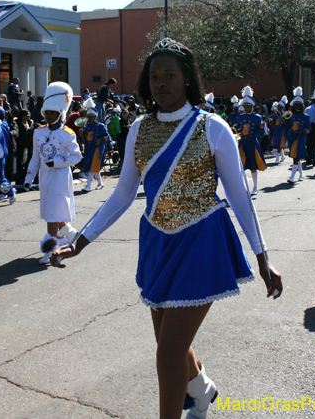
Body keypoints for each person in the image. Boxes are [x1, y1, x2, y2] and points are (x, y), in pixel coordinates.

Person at [52, 38, 282, 419]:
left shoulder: (212, 127)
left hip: (202, 242)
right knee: (169, 342)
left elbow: (239, 196)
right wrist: (80, 241)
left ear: (187, 78)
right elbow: (123, 194)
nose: (160, 83)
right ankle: (202, 391)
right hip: (157, 242)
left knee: (169, 350)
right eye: (154, 76)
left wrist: (263, 256)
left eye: (169, 75)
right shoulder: (139, 129)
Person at [23, 82, 83, 265]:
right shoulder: (38, 132)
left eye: (52, 113)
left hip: (60, 178)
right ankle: (70, 234)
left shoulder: (67, 133)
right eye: (46, 112)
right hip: (45, 178)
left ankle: (50, 250)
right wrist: (28, 178)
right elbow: (35, 157)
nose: (48, 116)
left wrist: (56, 162)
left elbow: (77, 156)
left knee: (51, 215)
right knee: (53, 212)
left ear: (60, 113)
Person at [231, 86, 266, 195]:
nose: (246, 109)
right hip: (242, 144)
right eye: (245, 107)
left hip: (252, 144)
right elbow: (236, 130)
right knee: (241, 166)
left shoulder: (257, 118)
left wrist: (261, 128)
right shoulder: (240, 118)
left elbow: (261, 134)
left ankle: (255, 187)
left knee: (253, 166)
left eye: (248, 107)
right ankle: (243, 187)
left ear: (252, 107)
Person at [79, 98, 110, 193]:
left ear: (95, 117)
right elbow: (84, 139)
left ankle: (88, 186)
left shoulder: (100, 126)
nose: (90, 118)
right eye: (89, 117)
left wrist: (100, 140)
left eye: (92, 117)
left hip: (97, 148)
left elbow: (108, 137)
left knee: (91, 166)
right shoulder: (85, 126)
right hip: (89, 148)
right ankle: (100, 183)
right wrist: (81, 134)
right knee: (93, 166)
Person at [285, 89, 310, 183]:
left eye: (299, 105)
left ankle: (292, 177)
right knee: (296, 156)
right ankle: (301, 174)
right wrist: (284, 123)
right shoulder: (290, 115)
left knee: (296, 157)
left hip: (300, 138)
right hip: (292, 137)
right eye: (295, 105)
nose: (297, 106)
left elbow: (309, 128)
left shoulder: (306, 116)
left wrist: (302, 131)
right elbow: (287, 127)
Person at [268, 100, 287, 164]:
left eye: (280, 107)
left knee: (279, 144)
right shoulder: (275, 114)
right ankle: (283, 156)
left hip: (282, 131)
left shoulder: (284, 114)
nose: (279, 108)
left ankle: (277, 158)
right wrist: (271, 121)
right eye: (278, 107)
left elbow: (286, 122)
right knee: (278, 144)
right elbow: (270, 119)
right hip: (276, 130)